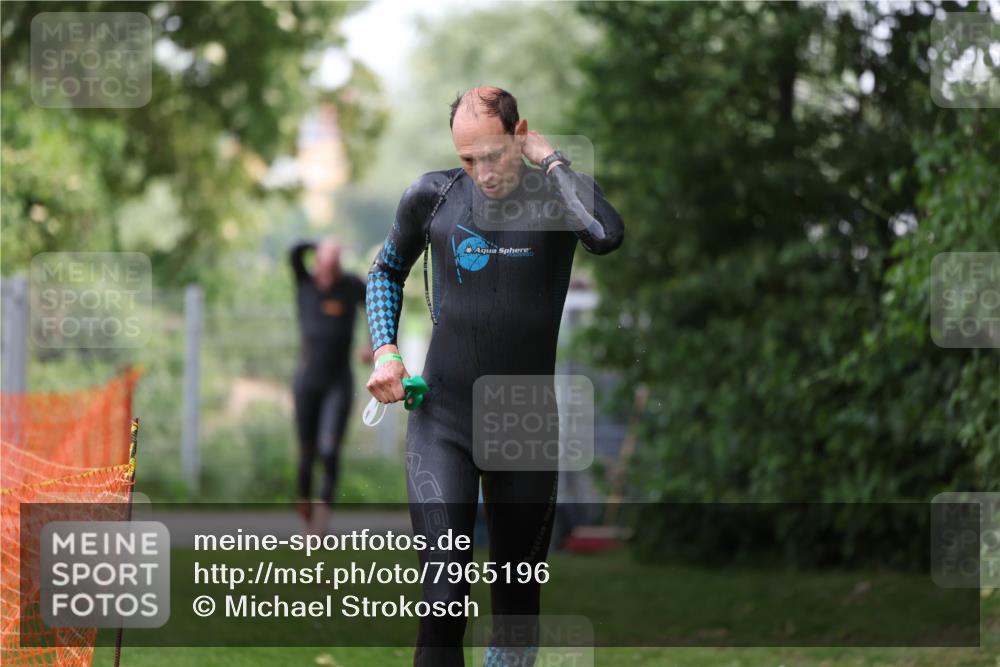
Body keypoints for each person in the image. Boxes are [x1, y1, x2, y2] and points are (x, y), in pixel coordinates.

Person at [366, 87, 624, 666]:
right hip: (444, 424)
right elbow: (384, 271)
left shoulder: (558, 198)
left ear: (520, 133)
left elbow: (606, 235)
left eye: (494, 154)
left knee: (515, 607)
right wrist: (386, 351)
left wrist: (550, 159)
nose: (482, 172)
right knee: (443, 600)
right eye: (467, 159)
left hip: (525, 428)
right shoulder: (431, 197)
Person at [289, 237, 370, 534]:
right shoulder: (304, 283)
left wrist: (375, 345)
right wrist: (320, 244)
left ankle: (322, 516)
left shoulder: (350, 286)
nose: (329, 273)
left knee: (330, 449)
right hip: (307, 382)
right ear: (316, 263)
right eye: (324, 264)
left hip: (339, 382)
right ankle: (303, 505)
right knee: (307, 453)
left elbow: (376, 306)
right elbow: (294, 250)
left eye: (334, 266)